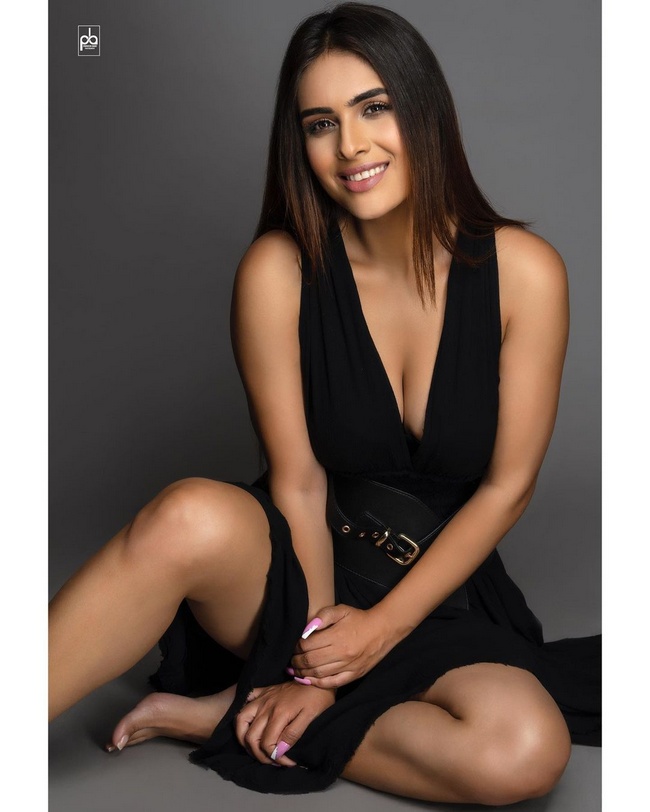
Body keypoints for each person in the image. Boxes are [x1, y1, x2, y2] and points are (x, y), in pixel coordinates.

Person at [49, 2, 601, 804]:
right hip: (295, 569)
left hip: (437, 590)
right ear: (299, 142)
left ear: (425, 112)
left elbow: (505, 488)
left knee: (522, 752)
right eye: (320, 123)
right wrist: (314, 660)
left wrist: (379, 630)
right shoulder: (277, 270)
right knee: (187, 516)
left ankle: (227, 717)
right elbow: (299, 482)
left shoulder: (526, 274)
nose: (350, 146)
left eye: (374, 108)